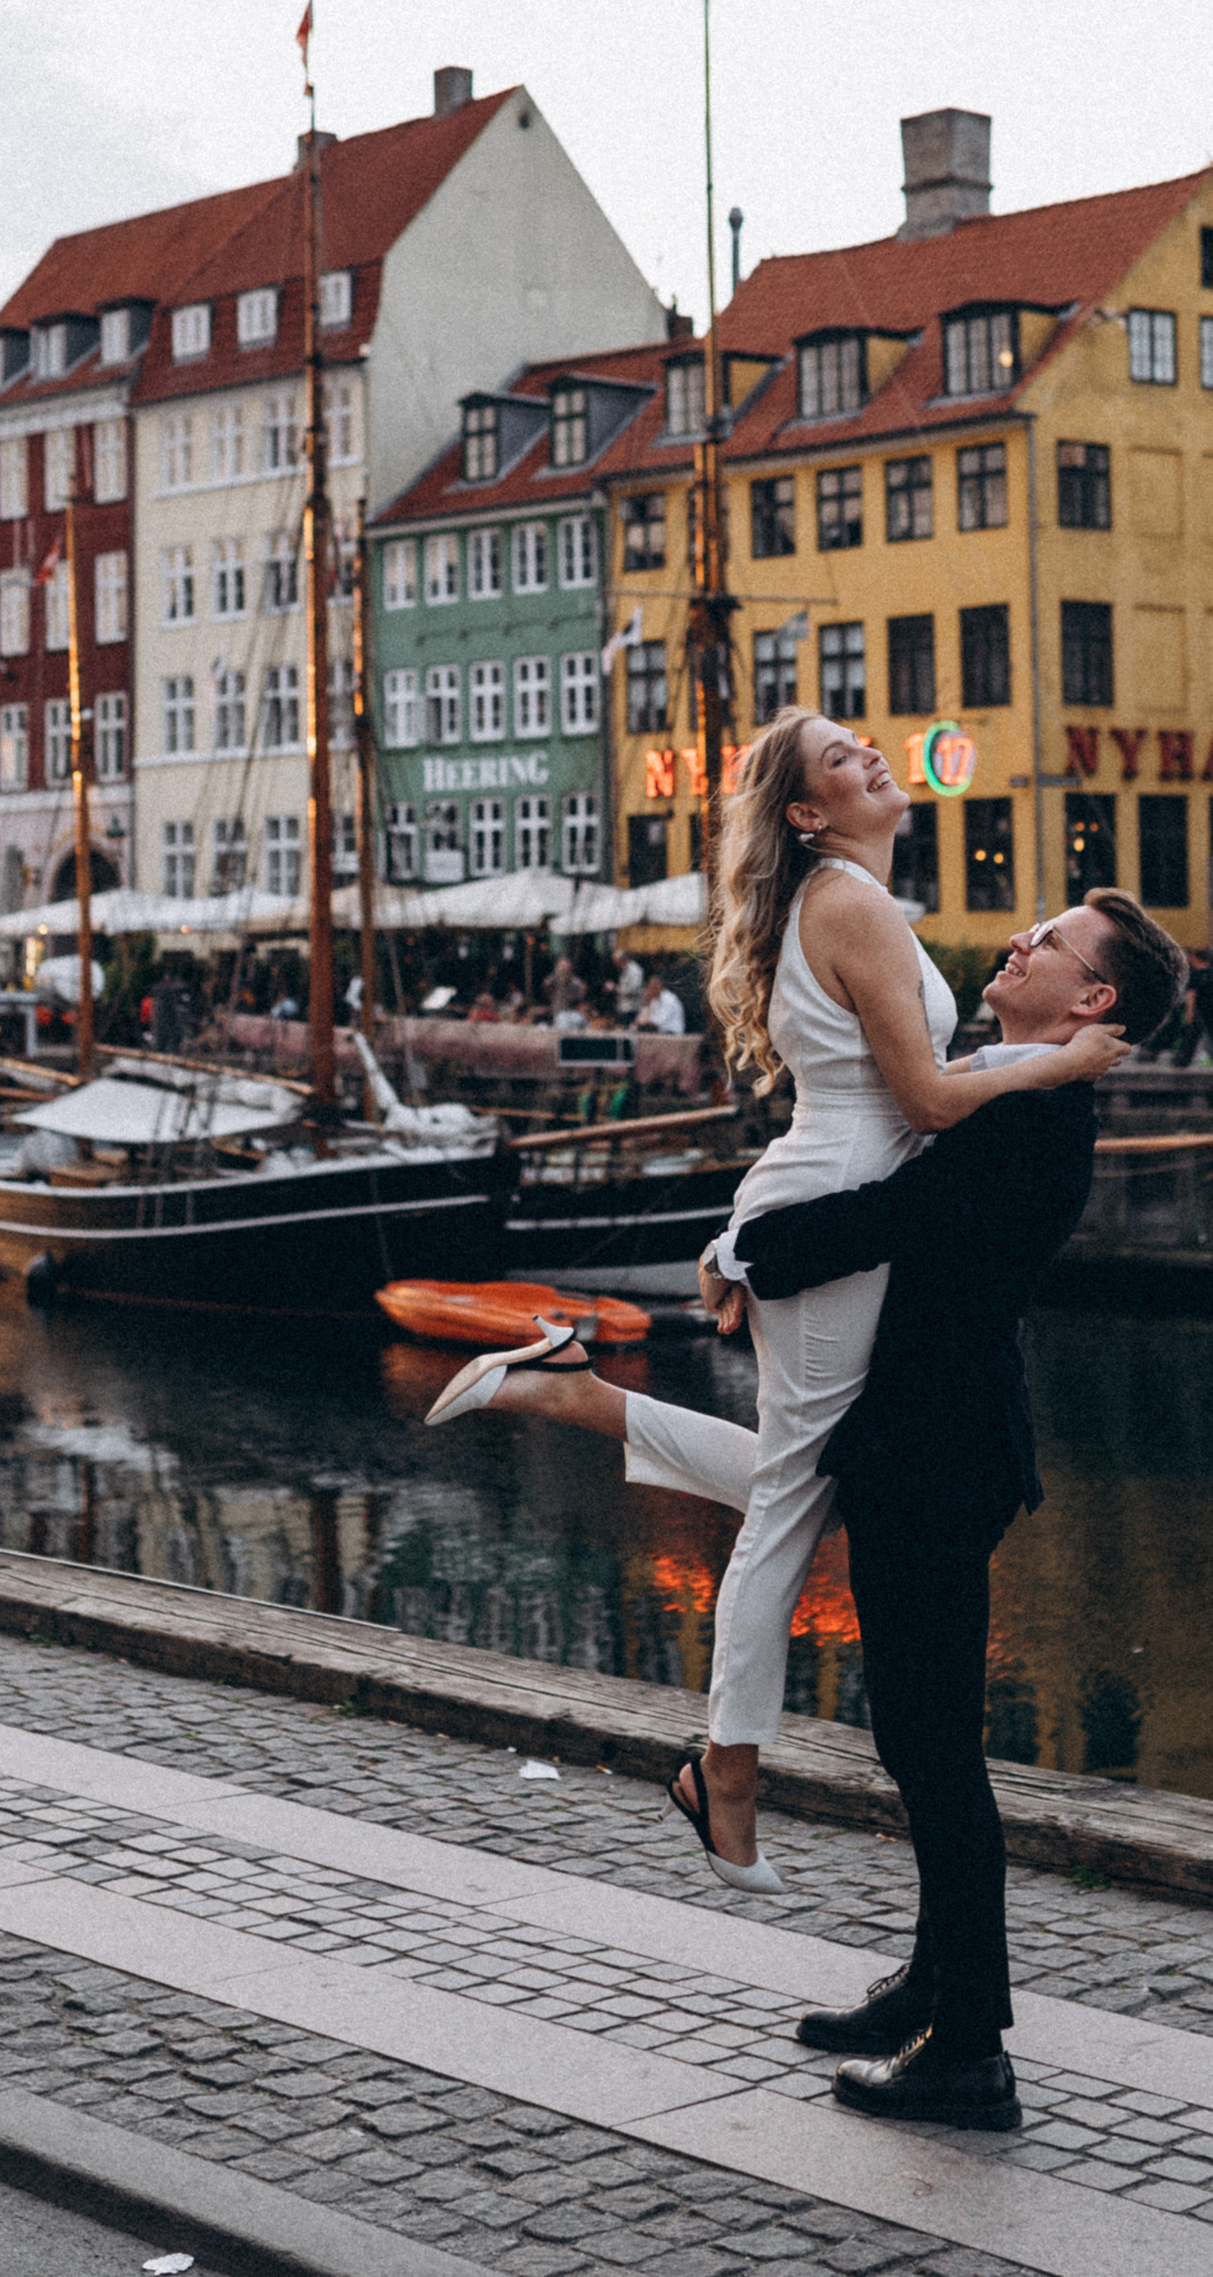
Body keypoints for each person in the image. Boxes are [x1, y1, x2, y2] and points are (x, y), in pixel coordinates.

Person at [420, 711, 1125, 1887]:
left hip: (826, 1193)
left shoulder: (845, 902)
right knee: (795, 1503)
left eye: (860, 747)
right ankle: (725, 1769)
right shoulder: (849, 902)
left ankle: (581, 1400)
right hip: (833, 1212)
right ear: (807, 812)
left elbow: (922, 1090)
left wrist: (737, 1235)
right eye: (840, 761)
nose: (869, 760)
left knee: (813, 1480)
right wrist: (1065, 1061)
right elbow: (929, 1100)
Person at [707, 887, 1189, 2130]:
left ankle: (971, 2047)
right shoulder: (1003, 1082)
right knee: (916, 1740)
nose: (1021, 939)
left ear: (1093, 1001)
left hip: (939, 1449)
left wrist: (743, 1252)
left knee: (937, 1752)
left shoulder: (1034, 1110)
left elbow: (893, 1218)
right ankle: (930, 1984)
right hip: (927, 1444)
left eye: (1053, 942)